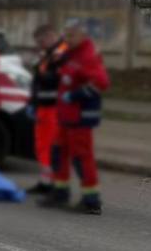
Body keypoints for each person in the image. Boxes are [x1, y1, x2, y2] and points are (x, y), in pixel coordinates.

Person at [47, 20, 110, 215]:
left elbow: (101, 83)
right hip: (66, 114)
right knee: (58, 152)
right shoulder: (70, 53)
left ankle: (91, 200)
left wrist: (74, 95)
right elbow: (57, 68)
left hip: (80, 116)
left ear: (83, 35)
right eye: (66, 35)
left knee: (81, 157)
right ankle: (60, 191)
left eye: (72, 35)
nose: (67, 39)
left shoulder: (88, 55)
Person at [26, 23, 67, 194]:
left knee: (52, 146)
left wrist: (40, 71)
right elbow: (37, 81)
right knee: (42, 146)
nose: (39, 45)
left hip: (54, 107)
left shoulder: (62, 53)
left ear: (50, 36)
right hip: (43, 106)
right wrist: (32, 103)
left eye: (41, 42)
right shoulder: (47, 54)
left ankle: (54, 185)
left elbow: (56, 78)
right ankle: (45, 182)